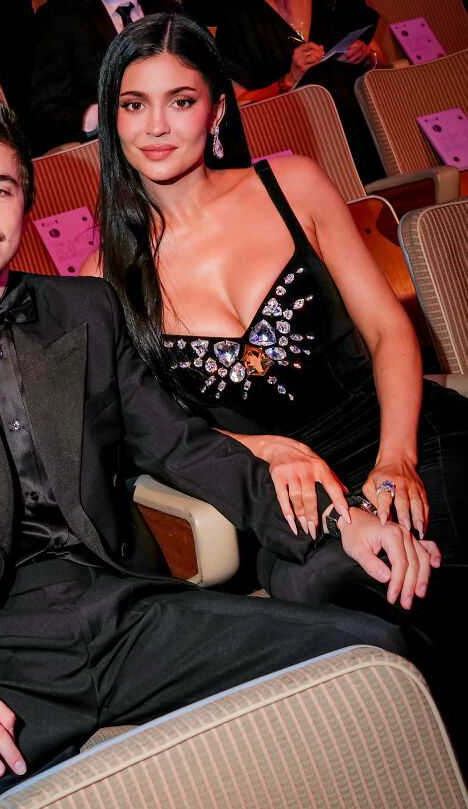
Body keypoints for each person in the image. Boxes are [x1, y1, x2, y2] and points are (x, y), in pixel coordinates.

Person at [0, 86, 417, 809]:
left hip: (123, 610)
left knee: (375, 657)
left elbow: (184, 446)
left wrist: (344, 523)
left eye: (1, 187)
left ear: (26, 200)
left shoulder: (83, 309)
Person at [82, 12, 468, 756]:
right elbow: (151, 432)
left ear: (219, 110)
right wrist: (258, 444)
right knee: (335, 586)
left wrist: (395, 460)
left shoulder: (290, 181)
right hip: (287, 497)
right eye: (134, 104)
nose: (156, 126)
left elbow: (391, 333)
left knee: (428, 561)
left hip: (397, 431)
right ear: (112, 120)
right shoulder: (108, 280)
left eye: (181, 100)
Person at [214, 0, 385, 183]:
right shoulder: (239, 19)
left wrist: (366, 55)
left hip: (356, 132)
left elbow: (378, 59)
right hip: (297, 140)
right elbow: (239, 102)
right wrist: (289, 80)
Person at [29, 0, 183, 154]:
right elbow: (45, 110)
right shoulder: (60, 16)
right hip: (104, 152)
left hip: (179, 136)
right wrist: (103, 116)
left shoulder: (171, 10)